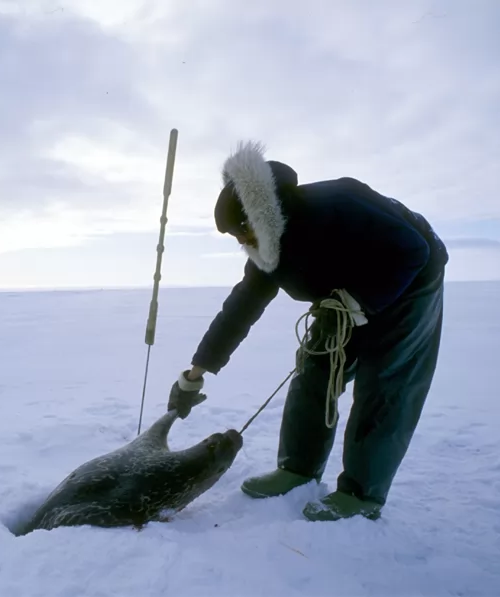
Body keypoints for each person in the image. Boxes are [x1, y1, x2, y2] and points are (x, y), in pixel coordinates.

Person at [167, 140, 449, 522]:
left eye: (241, 232)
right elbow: (241, 308)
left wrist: (357, 301)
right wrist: (194, 374)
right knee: (315, 369)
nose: (240, 243)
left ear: (257, 214)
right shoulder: (267, 250)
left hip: (410, 280)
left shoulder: (337, 202)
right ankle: (298, 469)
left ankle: (363, 493)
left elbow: (413, 250)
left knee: (384, 384)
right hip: (344, 296)